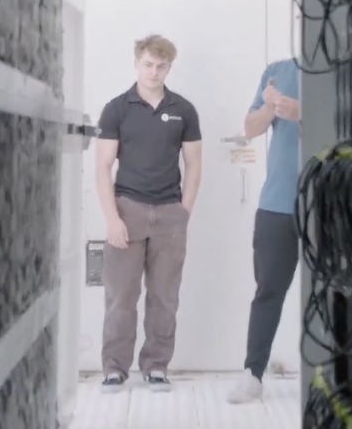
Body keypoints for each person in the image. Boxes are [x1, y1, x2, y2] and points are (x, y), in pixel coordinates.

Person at [95, 34, 203, 393]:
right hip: (128, 210)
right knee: (121, 296)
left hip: (169, 213)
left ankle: (156, 366)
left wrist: (183, 212)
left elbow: (194, 164)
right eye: (148, 64)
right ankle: (114, 368)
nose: (154, 71)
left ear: (169, 67)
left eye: (161, 66)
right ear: (136, 63)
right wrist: (112, 219)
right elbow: (102, 167)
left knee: (164, 296)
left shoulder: (183, 110)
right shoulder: (116, 109)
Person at [227, 58, 301, 404]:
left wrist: (303, 112)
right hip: (277, 205)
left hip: (332, 202)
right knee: (267, 290)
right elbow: (251, 127)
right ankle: (252, 374)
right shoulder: (278, 72)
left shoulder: (345, 66)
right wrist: (271, 106)